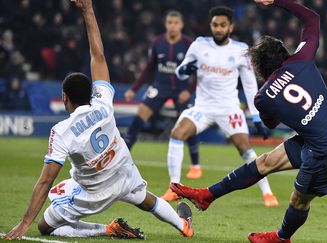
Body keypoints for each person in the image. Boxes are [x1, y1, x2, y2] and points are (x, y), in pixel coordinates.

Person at [3, 0, 193, 240]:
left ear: (64, 97)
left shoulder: (62, 131)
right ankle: (183, 225)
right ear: (91, 92)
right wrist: (88, 11)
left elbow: (45, 181)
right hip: (123, 172)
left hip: (92, 193)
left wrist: (24, 223)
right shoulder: (103, 101)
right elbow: (99, 56)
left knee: (44, 227)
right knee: (147, 200)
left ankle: (107, 229)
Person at [170, 0, 327, 242]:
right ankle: (207, 196)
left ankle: (282, 238)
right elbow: (312, 19)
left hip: (324, 154)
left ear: (260, 67)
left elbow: (271, 124)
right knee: (265, 161)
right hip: (325, 138)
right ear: (284, 53)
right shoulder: (303, 58)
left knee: (299, 199)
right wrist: (277, 1)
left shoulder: (263, 97)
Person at [162, 5, 279, 208]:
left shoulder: (240, 50)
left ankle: (268, 193)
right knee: (177, 133)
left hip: (229, 109)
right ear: (211, 25)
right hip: (203, 108)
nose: (218, 29)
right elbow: (180, 72)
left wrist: (257, 117)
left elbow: (250, 86)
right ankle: (174, 188)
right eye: (215, 25)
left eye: (222, 25)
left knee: (245, 149)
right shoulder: (199, 45)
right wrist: (185, 69)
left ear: (230, 27)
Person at [123, 11, 202, 179]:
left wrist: (189, 91)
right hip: (160, 86)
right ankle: (121, 159)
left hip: (181, 89)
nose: (172, 25)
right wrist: (134, 89)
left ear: (181, 25)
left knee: (189, 124)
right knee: (139, 118)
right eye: (169, 22)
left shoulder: (189, 44)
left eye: (175, 22)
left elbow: (199, 71)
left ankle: (195, 165)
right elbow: (149, 68)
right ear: (166, 24)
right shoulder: (157, 42)